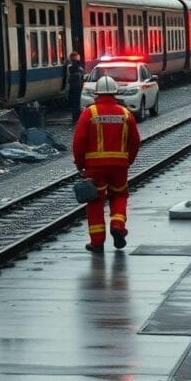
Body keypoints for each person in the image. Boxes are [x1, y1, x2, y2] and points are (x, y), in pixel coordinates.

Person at [72, 76, 141, 253]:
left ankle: (97, 242)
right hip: (119, 167)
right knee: (119, 196)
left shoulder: (89, 113)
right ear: (116, 93)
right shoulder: (126, 114)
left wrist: (80, 164)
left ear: (96, 93)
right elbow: (135, 141)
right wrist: (129, 160)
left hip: (94, 168)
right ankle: (118, 226)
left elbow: (79, 141)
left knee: (95, 202)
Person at [67, 51, 85, 121]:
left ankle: (74, 117)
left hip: (72, 88)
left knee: (74, 103)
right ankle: (77, 117)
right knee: (77, 103)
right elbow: (82, 77)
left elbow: (67, 77)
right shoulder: (80, 69)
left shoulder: (68, 68)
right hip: (78, 88)